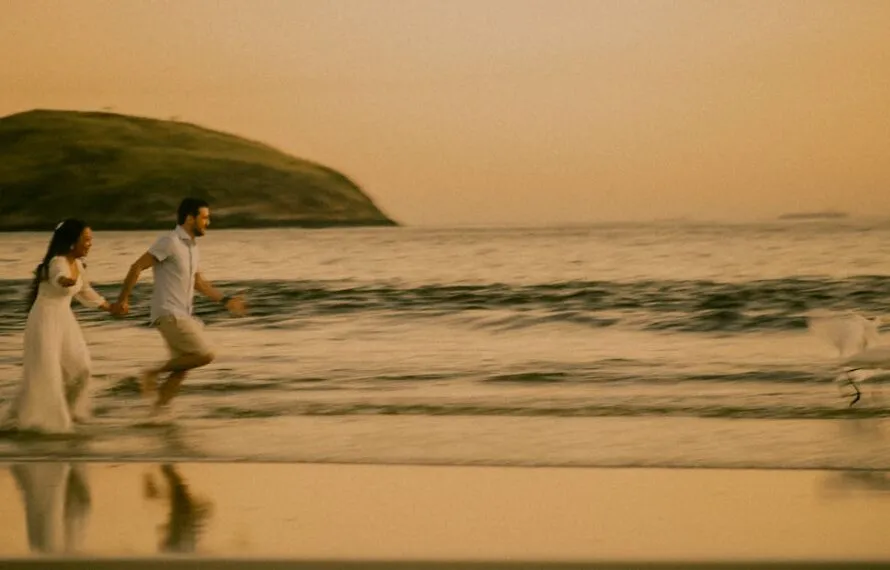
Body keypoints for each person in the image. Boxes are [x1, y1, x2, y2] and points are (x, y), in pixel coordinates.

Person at [113, 198, 245, 415]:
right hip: (169, 312)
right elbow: (137, 266)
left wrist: (226, 300)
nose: (208, 222)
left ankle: (155, 416)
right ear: (190, 218)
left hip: (183, 314)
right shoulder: (170, 241)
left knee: (182, 367)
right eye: (204, 217)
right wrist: (122, 300)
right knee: (205, 354)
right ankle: (151, 372)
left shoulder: (192, 247)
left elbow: (199, 283)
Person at [2, 219, 114, 433]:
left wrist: (110, 307)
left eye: (91, 239)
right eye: (87, 239)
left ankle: (68, 413)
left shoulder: (78, 264)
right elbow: (58, 277)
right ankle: (55, 425)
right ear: (73, 242)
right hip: (44, 320)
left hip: (64, 321)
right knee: (48, 373)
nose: (90, 243)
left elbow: (85, 292)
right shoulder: (57, 262)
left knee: (81, 369)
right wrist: (64, 281)